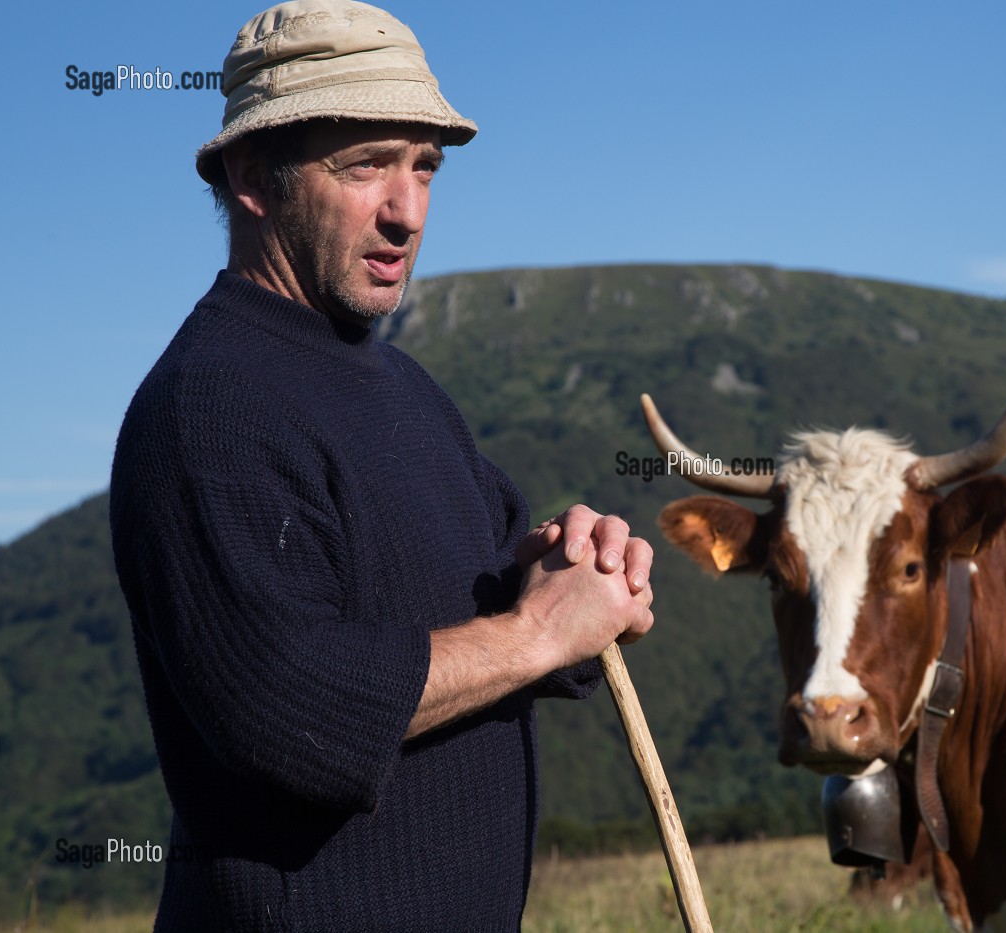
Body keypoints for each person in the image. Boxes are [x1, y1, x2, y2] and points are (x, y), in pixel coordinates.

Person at [108, 2, 655, 929]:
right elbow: (289, 710)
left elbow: (479, 608)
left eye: (424, 168)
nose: (407, 211)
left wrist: (566, 576)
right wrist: (534, 635)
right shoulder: (207, 408)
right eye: (365, 166)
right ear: (252, 175)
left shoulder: (405, 388)